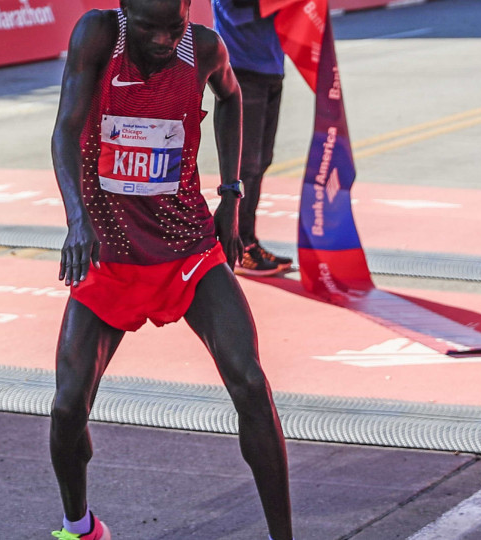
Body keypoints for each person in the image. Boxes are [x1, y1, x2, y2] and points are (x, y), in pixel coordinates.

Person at [49, 0, 293, 538]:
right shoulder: (97, 36)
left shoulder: (203, 47)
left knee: (251, 383)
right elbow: (66, 130)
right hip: (109, 254)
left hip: (186, 250)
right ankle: (80, 525)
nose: (162, 40)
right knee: (68, 407)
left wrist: (231, 193)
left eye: (172, 26)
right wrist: (76, 220)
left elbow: (230, 97)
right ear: (123, 9)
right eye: (147, 27)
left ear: (189, 13)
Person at [212, 0, 293, 276]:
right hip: (242, 70)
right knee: (245, 166)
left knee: (261, 162)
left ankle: (248, 240)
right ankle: (238, 245)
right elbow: (233, 13)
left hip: (271, 67)